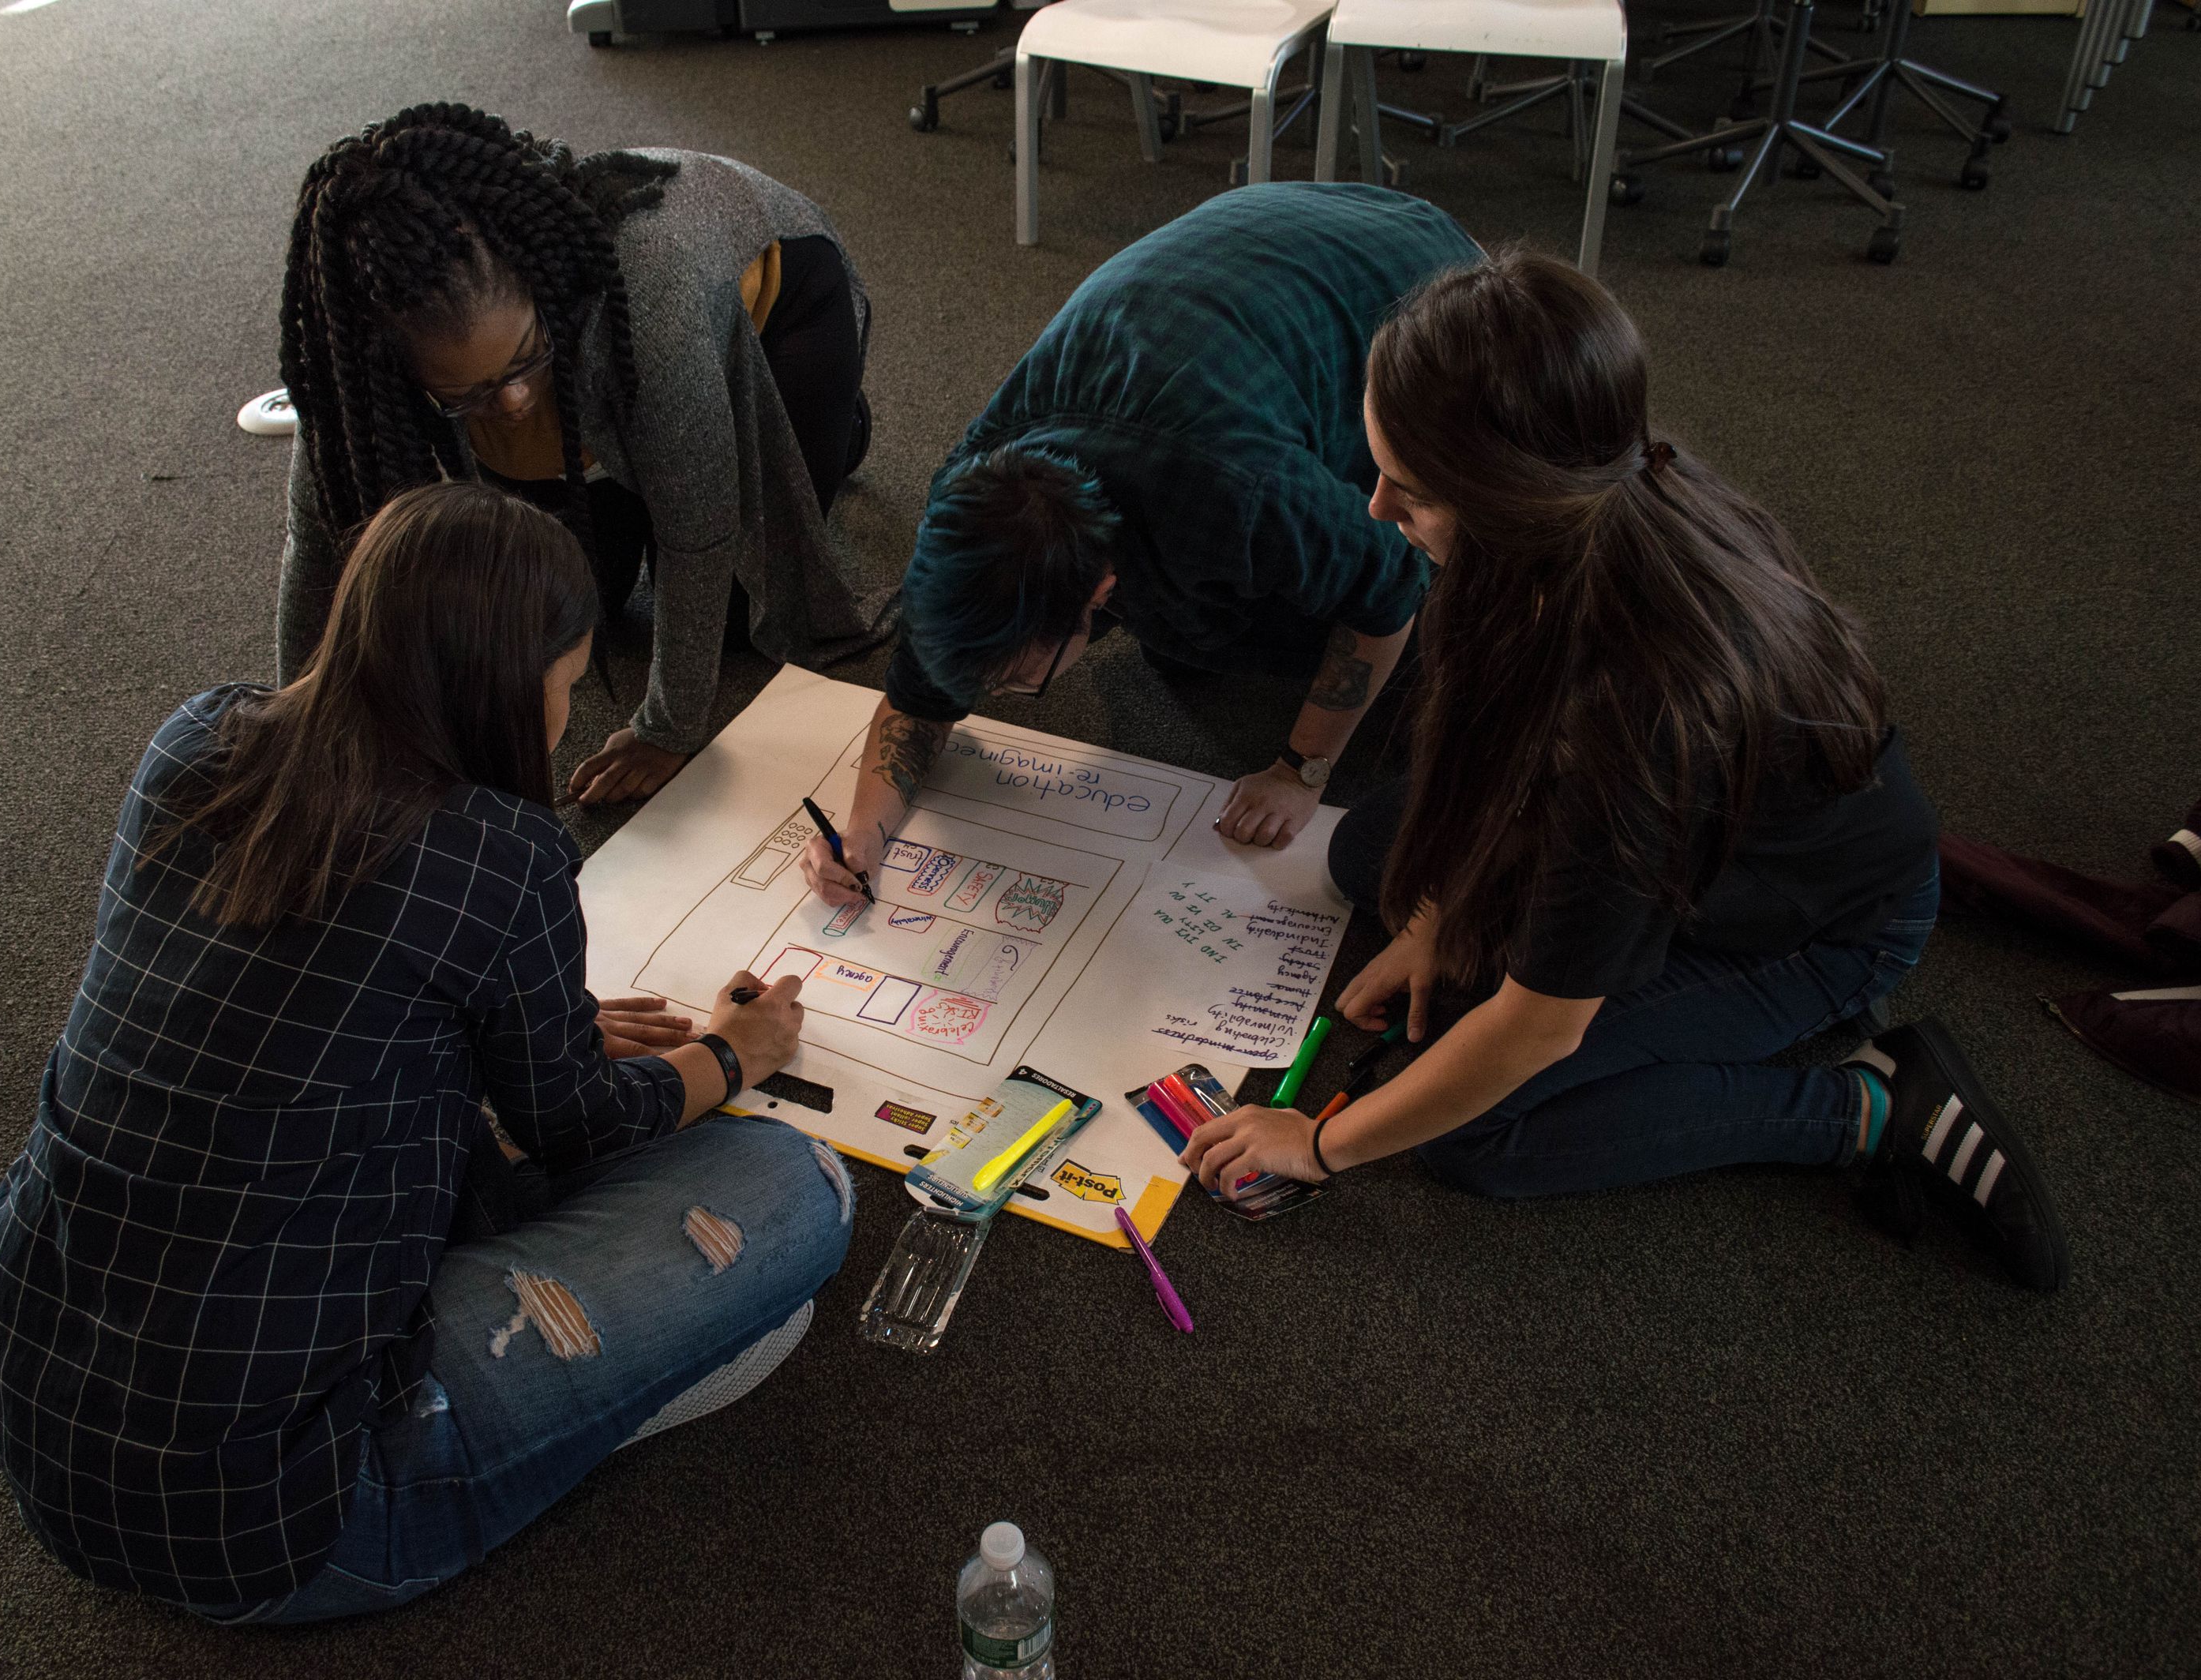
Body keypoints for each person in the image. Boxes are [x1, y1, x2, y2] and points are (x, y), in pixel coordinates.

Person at [0, 482, 854, 1623]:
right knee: (793, 1194)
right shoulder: (499, 852)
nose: (565, 721)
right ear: (499, 685)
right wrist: (734, 1053)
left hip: (32, 1385)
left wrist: (531, 1027)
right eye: (568, 689)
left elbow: (303, 992)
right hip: (283, 1517)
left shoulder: (197, 736)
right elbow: (568, 1122)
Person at [1177, 252, 2066, 1292]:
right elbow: (1492, 754)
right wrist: (1437, 921)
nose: (1377, 509)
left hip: (1819, 932)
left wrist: (1318, 1146)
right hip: (1690, 840)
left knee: (1473, 1137)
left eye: (1410, 490)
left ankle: (1866, 1110)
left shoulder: (1630, 721)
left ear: (1510, 493)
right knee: (1376, 856)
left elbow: (1540, 1027)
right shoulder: (1607, 495)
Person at [798, 184, 1481, 902]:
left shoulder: (1234, 493)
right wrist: (863, 833)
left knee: (1387, 624)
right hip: (1253, 274)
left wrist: (1300, 769)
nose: (1001, 695)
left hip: (1420, 287)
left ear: (1096, 589)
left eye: (1020, 680)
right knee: (1190, 641)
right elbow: (918, 699)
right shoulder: (973, 511)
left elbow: (1384, 586)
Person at [276, 103, 887, 806]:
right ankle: (632, 449)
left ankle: (835, 432)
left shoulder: (646, 290)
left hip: (783, 308)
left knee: (740, 619)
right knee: (560, 596)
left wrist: (670, 726)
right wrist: (297, 726)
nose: (508, 407)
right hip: (605, 391)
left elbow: (701, 527)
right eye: (467, 393)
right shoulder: (351, 360)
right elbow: (319, 542)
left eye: (520, 361)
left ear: (541, 289)